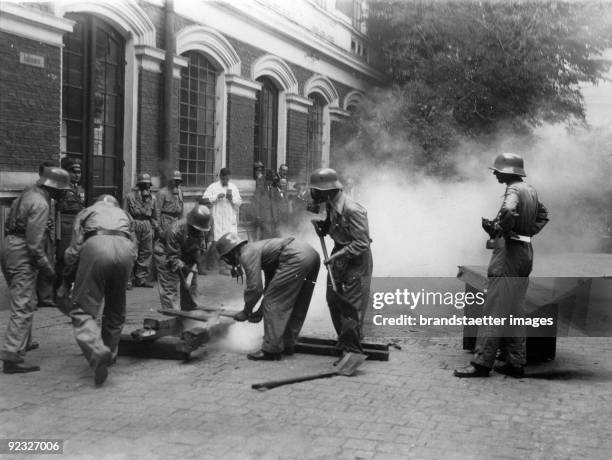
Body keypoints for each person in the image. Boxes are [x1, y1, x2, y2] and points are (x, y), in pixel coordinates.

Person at [454, 153, 549, 378]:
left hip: (508, 256)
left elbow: (508, 210)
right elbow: (544, 215)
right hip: (525, 254)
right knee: (515, 310)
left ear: (508, 172)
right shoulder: (531, 190)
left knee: (493, 310)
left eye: (498, 171)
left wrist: (502, 230)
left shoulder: (514, 190)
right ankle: (515, 363)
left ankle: (481, 363)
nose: (495, 174)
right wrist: (526, 233)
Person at [0, 167, 71, 374]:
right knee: (23, 303)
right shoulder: (41, 203)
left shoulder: (27, 193)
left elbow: (7, 224)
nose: (61, 195)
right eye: (60, 191)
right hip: (22, 250)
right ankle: (12, 356)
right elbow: (34, 245)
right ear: (54, 188)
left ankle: (23, 341)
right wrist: (49, 270)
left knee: (27, 298)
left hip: (9, 245)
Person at [62, 194, 136, 386]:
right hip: (126, 249)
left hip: (96, 245)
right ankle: (109, 354)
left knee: (82, 310)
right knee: (116, 309)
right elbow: (135, 247)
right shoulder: (125, 214)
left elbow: (74, 249)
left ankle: (97, 350)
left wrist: (66, 277)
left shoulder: (86, 212)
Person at [216, 232, 320, 360]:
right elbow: (270, 287)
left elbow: (255, 288)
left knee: (273, 301)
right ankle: (287, 343)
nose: (227, 262)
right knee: (298, 301)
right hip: (311, 255)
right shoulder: (260, 251)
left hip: (295, 257)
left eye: (226, 258)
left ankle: (271, 350)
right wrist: (260, 312)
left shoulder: (246, 254)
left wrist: (246, 311)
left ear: (231, 253)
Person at [310, 167, 373, 354]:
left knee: (351, 306)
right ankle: (346, 339)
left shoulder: (354, 210)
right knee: (333, 299)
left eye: (316, 191)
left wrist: (337, 256)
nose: (313, 195)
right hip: (339, 256)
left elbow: (362, 243)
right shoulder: (330, 204)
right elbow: (334, 228)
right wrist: (323, 228)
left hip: (356, 261)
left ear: (328, 190)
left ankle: (352, 350)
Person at [156, 205, 211, 311]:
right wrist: (185, 268)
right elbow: (172, 258)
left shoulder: (200, 229)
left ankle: (190, 310)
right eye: (196, 229)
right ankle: (172, 313)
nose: (198, 232)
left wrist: (194, 266)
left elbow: (200, 250)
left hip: (186, 253)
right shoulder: (175, 230)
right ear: (191, 224)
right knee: (170, 284)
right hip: (165, 253)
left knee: (191, 284)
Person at [202, 168, 242, 274]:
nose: (226, 181)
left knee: (229, 243)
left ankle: (225, 265)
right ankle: (213, 265)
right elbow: (203, 200)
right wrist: (216, 197)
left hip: (229, 219)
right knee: (216, 241)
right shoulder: (213, 187)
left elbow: (239, 202)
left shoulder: (233, 187)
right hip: (217, 219)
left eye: (227, 179)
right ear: (220, 177)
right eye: (224, 179)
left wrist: (231, 199)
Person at [56, 157, 85, 293]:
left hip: (77, 226)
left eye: (79, 172)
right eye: (73, 172)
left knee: (75, 257)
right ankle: (58, 290)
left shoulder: (79, 189)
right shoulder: (61, 188)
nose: (77, 175)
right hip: (64, 227)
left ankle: (69, 288)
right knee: (63, 258)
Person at [125, 173, 158, 287]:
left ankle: (141, 278)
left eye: (148, 185)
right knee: (131, 252)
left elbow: (155, 215)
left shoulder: (153, 198)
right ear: (138, 185)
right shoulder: (130, 197)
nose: (146, 187)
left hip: (147, 225)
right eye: (143, 184)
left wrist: (155, 228)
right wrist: (128, 228)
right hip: (134, 224)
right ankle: (128, 280)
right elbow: (125, 213)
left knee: (146, 252)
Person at [154, 170, 184, 285]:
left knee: (175, 246)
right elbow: (157, 211)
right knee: (164, 247)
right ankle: (161, 273)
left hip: (176, 221)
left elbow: (181, 208)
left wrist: (181, 223)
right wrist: (158, 227)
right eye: (175, 181)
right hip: (165, 221)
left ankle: (173, 270)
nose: (176, 184)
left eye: (178, 182)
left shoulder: (180, 192)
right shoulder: (162, 193)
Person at [37, 160, 59, 308]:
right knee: (33, 265)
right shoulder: (34, 190)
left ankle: (46, 297)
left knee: (49, 263)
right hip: (35, 233)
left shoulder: (52, 190)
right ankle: (31, 299)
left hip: (48, 233)